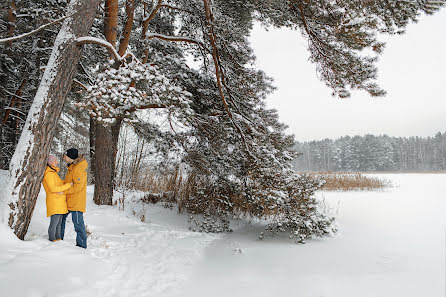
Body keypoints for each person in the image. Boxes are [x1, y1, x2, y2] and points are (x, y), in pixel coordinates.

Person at [60, 148, 89, 249]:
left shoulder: (78, 168)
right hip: (69, 200)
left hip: (76, 202)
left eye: (65, 156)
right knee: (61, 218)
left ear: (70, 157)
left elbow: (77, 187)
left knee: (78, 224)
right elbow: (69, 181)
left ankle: (81, 246)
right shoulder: (72, 166)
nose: (64, 157)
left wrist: (63, 191)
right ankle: (58, 240)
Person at [42, 155, 73, 242]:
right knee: (54, 223)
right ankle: (52, 240)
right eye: (55, 161)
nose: (57, 162)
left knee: (59, 222)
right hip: (54, 201)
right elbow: (53, 188)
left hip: (59, 202)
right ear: (50, 162)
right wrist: (68, 185)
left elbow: (59, 184)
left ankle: (58, 239)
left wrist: (66, 181)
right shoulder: (48, 174)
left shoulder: (53, 173)